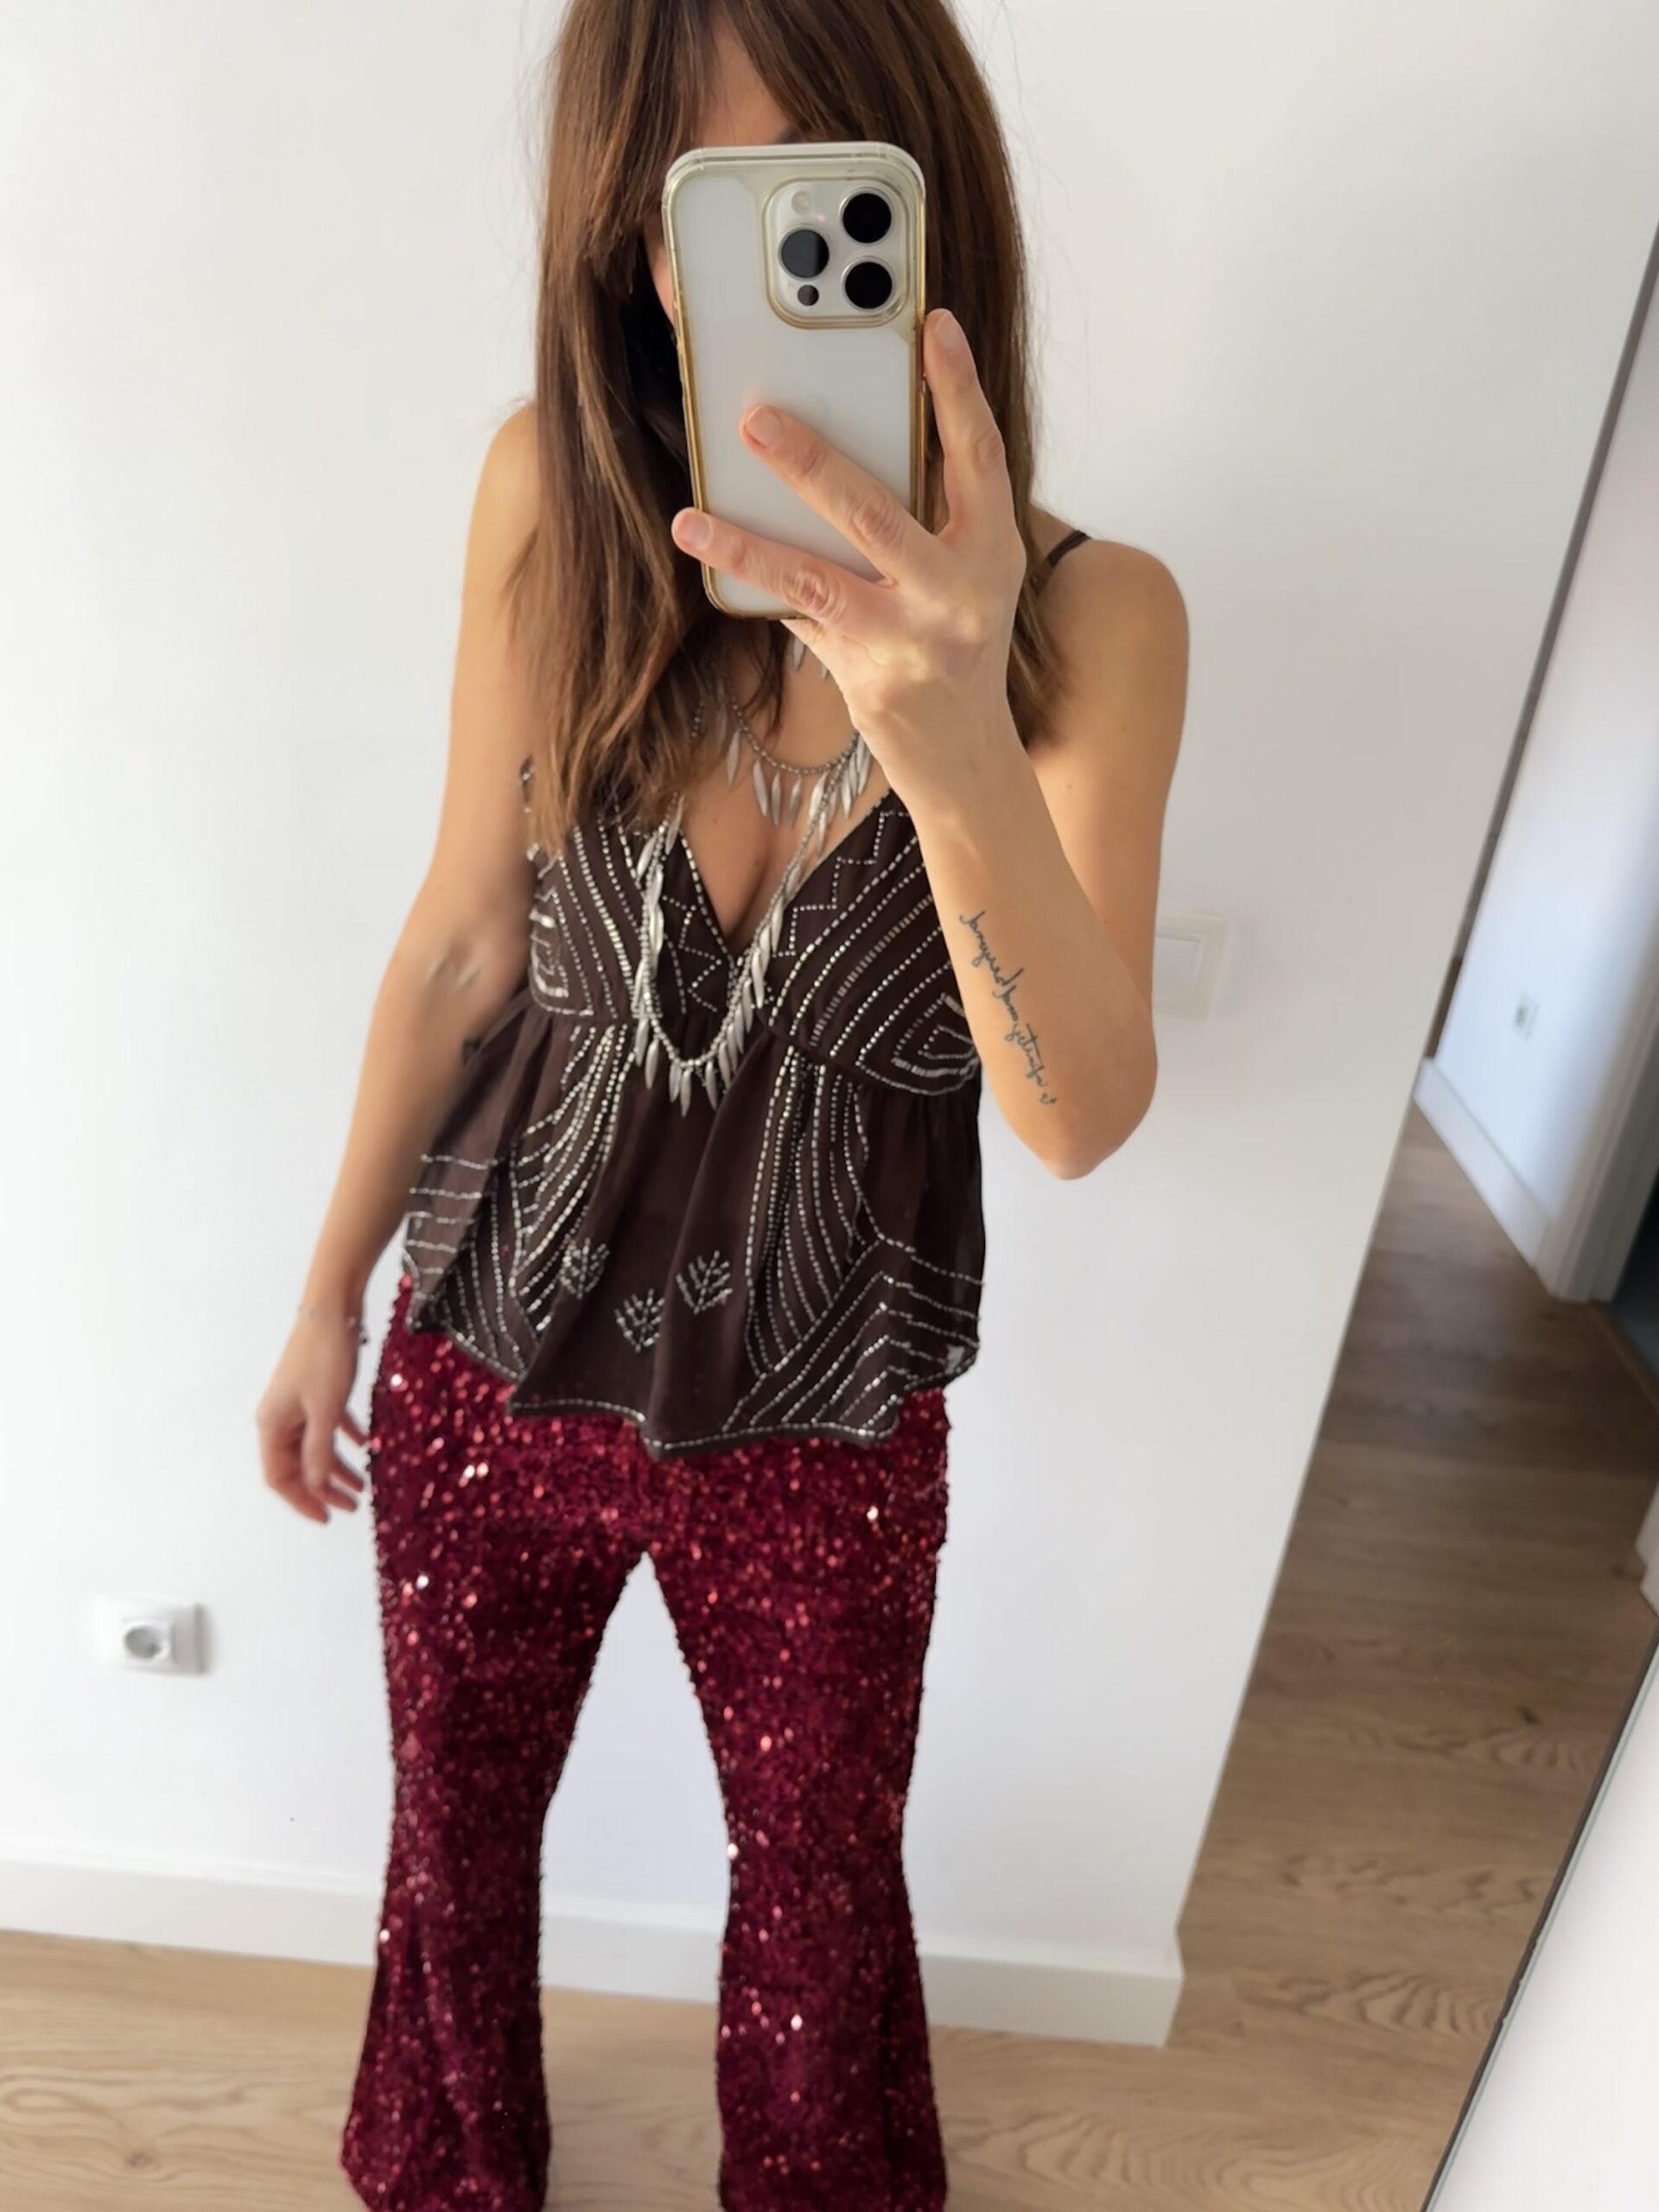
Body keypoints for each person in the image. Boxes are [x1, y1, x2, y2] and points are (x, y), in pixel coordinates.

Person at [254, 2, 1186, 2205]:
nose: (749, 280)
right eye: (699, 212)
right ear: (629, 247)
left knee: (820, 1904)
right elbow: (462, 941)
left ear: (925, 207)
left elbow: (1075, 1113)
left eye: (813, 198)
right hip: (489, 1352)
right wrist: (321, 1293)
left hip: (824, 1424)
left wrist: (944, 724)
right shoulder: (544, 503)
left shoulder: (1097, 622)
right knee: (451, 1840)